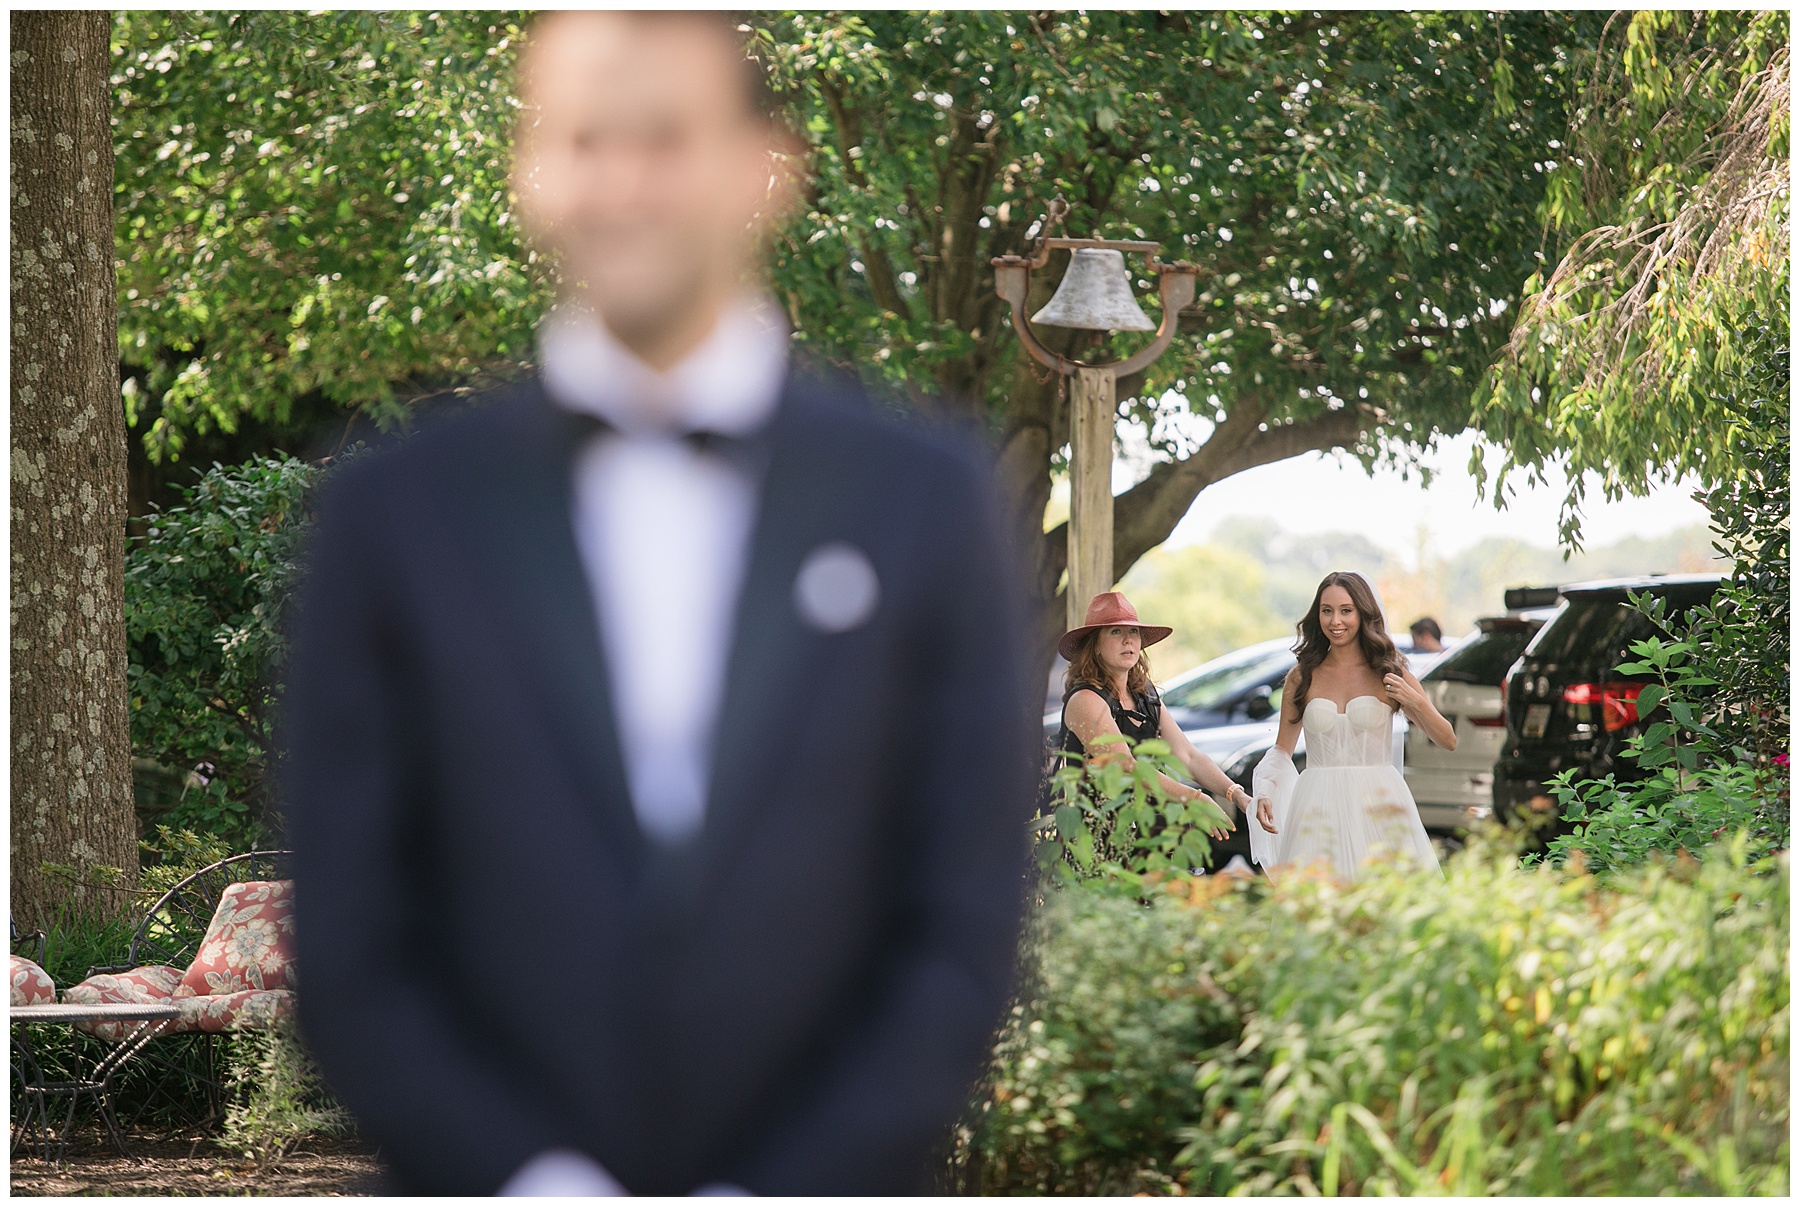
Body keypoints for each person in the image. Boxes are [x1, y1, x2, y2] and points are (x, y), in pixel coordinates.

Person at [279, 12, 1038, 1197]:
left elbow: (964, 920)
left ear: (764, 170)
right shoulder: (396, 514)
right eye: (582, 140)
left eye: (665, 139)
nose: (621, 183)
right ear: (529, 173)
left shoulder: (924, 502)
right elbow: (350, 934)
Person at [1249, 572, 1455, 881]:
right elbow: (1282, 748)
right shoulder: (1302, 676)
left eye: (1346, 610)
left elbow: (1447, 740)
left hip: (1379, 804)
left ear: (1363, 613)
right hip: (1317, 805)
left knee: (1386, 902)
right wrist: (1265, 787)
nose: (1335, 621)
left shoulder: (1389, 670)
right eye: (1327, 610)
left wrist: (1417, 702)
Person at [1053, 592, 1246, 843]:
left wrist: (1236, 794)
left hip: (1152, 835)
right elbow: (1127, 767)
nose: (1128, 640)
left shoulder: (1144, 693)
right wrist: (1196, 798)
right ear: (1095, 646)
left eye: (1133, 631)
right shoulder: (1085, 699)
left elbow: (1187, 755)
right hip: (1101, 842)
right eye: (1115, 632)